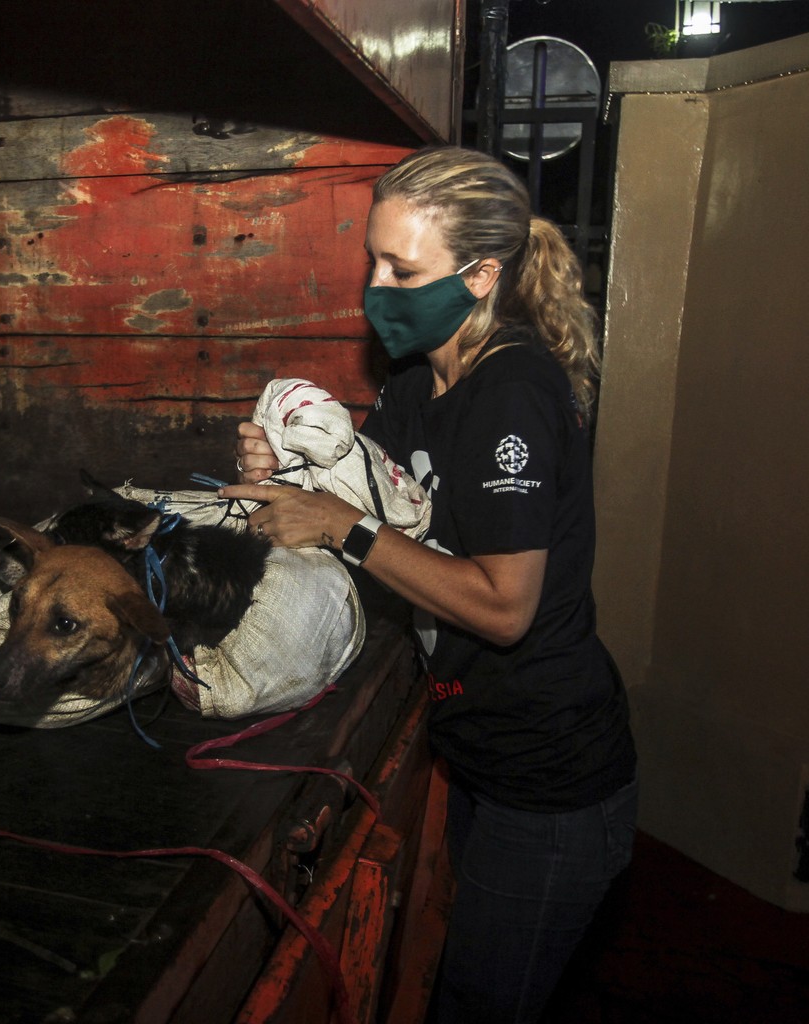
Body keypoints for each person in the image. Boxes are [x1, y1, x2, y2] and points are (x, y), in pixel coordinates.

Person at [220, 145, 637, 1023]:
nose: (376, 286)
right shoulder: (417, 383)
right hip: (484, 756)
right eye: (372, 258)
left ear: (482, 276)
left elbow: (504, 606)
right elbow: (363, 487)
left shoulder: (511, 394)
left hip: (553, 782)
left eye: (402, 269)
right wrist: (285, 461)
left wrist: (340, 525)